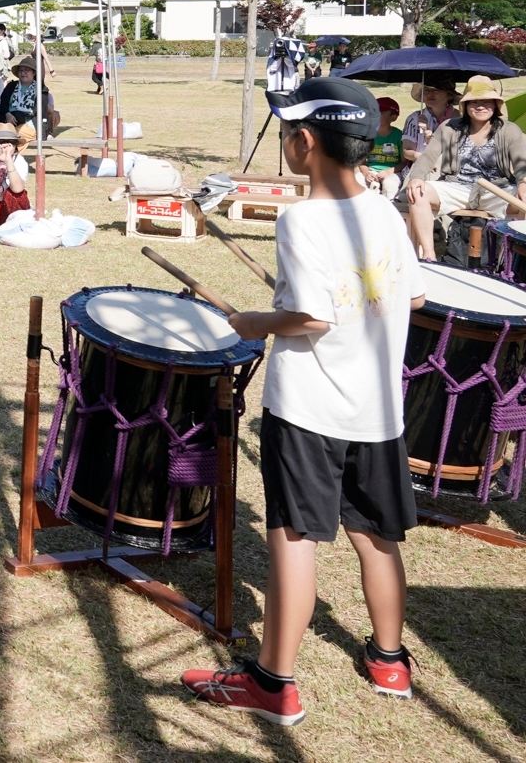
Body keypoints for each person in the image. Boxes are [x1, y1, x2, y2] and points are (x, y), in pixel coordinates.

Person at [180, 77, 421, 726]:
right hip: (377, 410)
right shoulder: (384, 212)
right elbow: (413, 296)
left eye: (289, 133)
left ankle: (273, 681)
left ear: (305, 142)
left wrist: (260, 319)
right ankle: (390, 659)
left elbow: (309, 316)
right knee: (376, 535)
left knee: (293, 538)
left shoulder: (303, 217)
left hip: (311, 409)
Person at [404, 74, 526, 261]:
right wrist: (417, 177)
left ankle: (512, 263)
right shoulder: (449, 127)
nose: (480, 106)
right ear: (465, 106)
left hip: (496, 191)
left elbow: (521, 163)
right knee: (418, 192)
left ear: (496, 105)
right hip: (456, 187)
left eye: (487, 102)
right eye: (474, 102)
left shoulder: (508, 130)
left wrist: (523, 182)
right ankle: (429, 255)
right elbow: (428, 156)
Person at [401, 81, 456, 168]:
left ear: (449, 95)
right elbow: (407, 152)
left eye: (435, 90)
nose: (430, 94)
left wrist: (429, 137)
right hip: (419, 167)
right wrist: (423, 159)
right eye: (426, 90)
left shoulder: (459, 119)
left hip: (450, 169)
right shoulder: (415, 118)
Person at [0, 60, 55, 140]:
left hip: (29, 121)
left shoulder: (40, 89)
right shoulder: (11, 86)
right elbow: (3, 102)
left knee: (13, 134)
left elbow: (40, 110)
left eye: (26, 70)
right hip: (8, 119)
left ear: (34, 73)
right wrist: (7, 114)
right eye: (21, 70)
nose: (23, 73)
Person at [362, 97, 403, 200]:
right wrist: (366, 173)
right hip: (370, 170)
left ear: (393, 117)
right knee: (356, 182)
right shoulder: (367, 135)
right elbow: (361, 161)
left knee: (390, 186)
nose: (375, 115)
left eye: (381, 113)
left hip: (393, 172)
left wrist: (389, 172)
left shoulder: (399, 136)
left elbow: (404, 162)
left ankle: (389, 210)